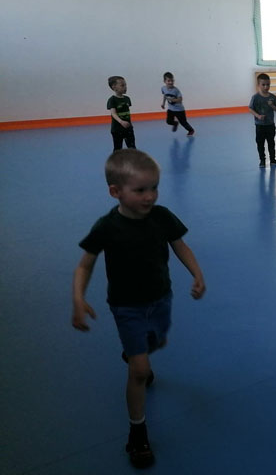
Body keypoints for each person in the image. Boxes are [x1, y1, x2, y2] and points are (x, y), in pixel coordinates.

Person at [71, 149, 206, 469]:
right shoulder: (107, 226)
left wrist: (197, 273)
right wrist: (78, 297)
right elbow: (85, 264)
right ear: (115, 191)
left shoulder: (162, 217)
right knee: (140, 370)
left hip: (161, 298)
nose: (150, 196)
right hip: (126, 306)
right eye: (140, 190)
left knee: (156, 341)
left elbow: (180, 246)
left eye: (154, 188)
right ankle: (137, 433)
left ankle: (138, 352)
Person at [249, 73, 276, 168]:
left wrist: (272, 105)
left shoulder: (273, 97)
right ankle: (262, 160)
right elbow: (250, 109)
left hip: (270, 125)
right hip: (260, 125)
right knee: (260, 143)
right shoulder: (255, 97)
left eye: (268, 84)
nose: (266, 87)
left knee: (271, 143)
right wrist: (258, 116)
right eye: (263, 85)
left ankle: (273, 160)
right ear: (258, 85)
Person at [160, 71, 195, 136]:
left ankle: (191, 130)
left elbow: (180, 99)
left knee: (183, 122)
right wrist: (163, 103)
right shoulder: (163, 88)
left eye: (172, 81)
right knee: (168, 121)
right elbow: (165, 95)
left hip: (179, 110)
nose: (171, 82)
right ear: (164, 81)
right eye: (168, 81)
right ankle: (175, 123)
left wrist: (173, 100)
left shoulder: (176, 90)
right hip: (171, 109)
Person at [108, 76, 135, 151]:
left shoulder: (127, 99)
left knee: (132, 147)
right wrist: (121, 121)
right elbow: (113, 113)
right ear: (114, 87)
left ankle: (133, 158)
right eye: (122, 85)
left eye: (125, 85)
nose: (125, 87)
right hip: (117, 129)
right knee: (118, 148)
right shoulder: (112, 100)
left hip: (128, 128)